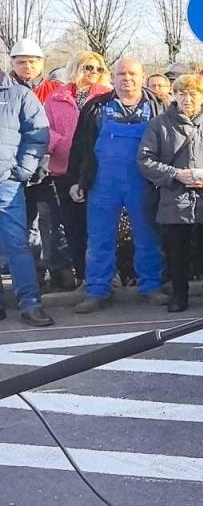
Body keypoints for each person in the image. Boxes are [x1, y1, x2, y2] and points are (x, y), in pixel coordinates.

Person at [68, 58, 166, 314]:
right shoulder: (96, 107)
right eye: (121, 73)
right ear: (112, 77)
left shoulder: (159, 106)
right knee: (99, 238)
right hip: (103, 182)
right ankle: (97, 291)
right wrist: (77, 181)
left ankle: (151, 287)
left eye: (132, 73)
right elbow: (80, 147)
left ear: (142, 76)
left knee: (148, 235)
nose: (127, 78)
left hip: (143, 181)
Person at [137, 75, 203, 312]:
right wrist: (175, 174)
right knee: (176, 250)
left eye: (193, 94)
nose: (187, 99)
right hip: (174, 198)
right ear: (174, 95)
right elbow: (145, 160)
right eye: (181, 94)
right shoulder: (159, 124)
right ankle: (179, 293)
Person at [43, 52, 110, 289]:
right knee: (73, 226)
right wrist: (63, 142)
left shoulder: (107, 97)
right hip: (65, 169)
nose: (93, 73)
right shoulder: (55, 98)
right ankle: (83, 276)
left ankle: (107, 276)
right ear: (75, 68)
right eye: (88, 67)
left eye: (99, 69)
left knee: (101, 227)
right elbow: (44, 129)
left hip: (99, 169)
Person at [9, 40, 68, 291]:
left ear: (42, 63)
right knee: (23, 224)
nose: (27, 66)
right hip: (14, 169)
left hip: (50, 168)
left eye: (32, 62)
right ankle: (33, 274)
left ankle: (59, 270)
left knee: (55, 220)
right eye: (21, 62)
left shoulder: (56, 91)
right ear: (12, 64)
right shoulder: (6, 91)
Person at [0, 63, 52, 325]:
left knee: (17, 244)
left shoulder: (19, 94)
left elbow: (38, 134)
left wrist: (21, 170)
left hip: (6, 183)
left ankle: (30, 303)